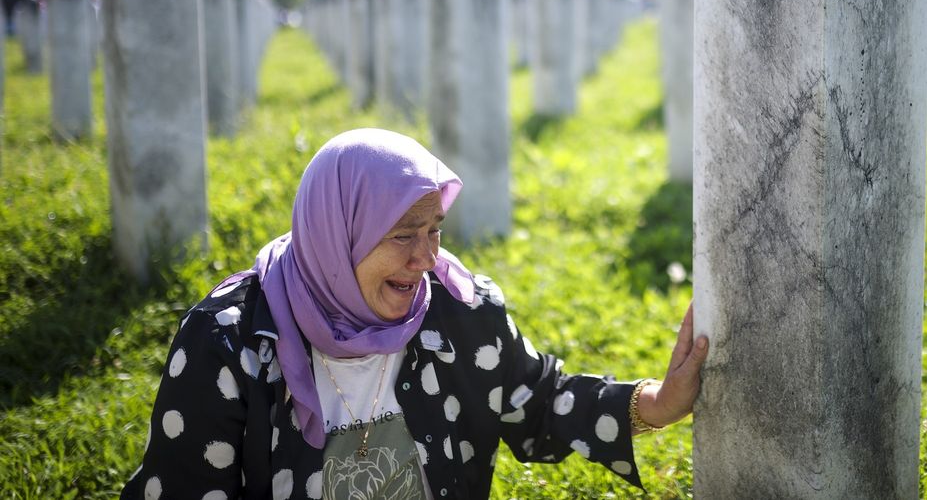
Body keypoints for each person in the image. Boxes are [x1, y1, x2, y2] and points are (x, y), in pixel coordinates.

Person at [121, 128, 708, 500]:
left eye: (435, 231)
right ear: (340, 232)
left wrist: (656, 404)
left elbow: (537, 403)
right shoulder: (230, 342)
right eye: (403, 235)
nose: (428, 258)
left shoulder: (456, 310)